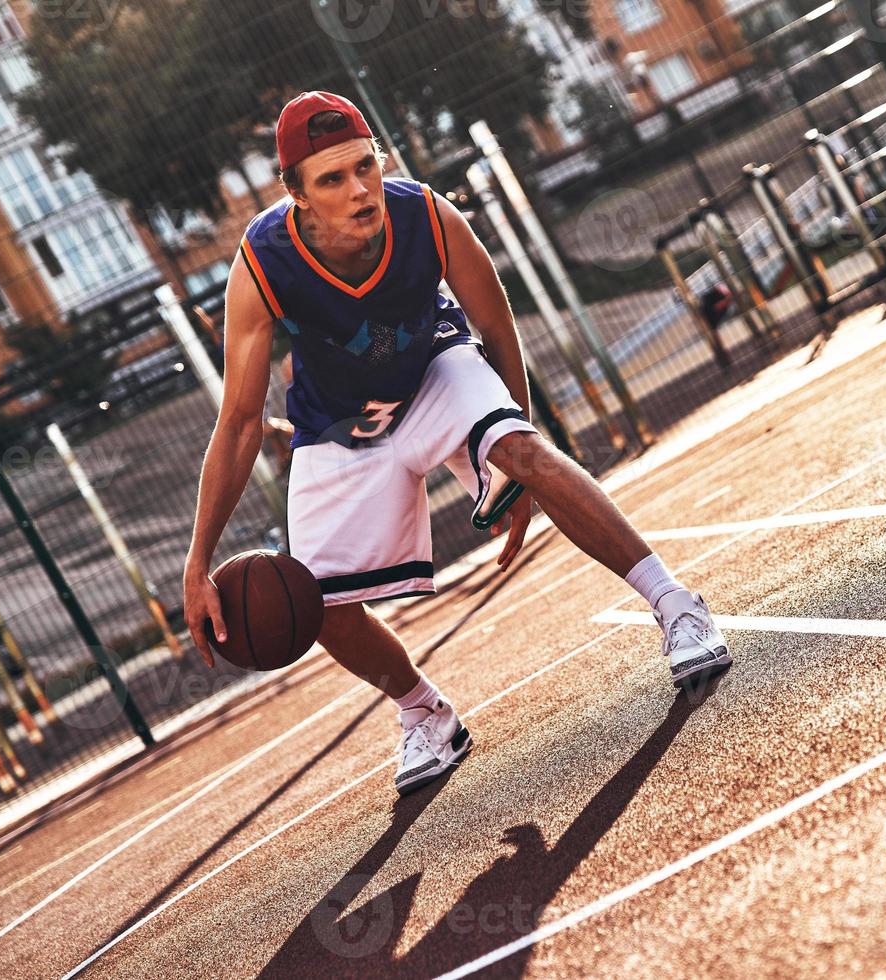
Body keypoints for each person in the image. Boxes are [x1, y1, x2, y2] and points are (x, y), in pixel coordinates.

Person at [182, 91, 731, 794]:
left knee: (526, 449)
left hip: (436, 367)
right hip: (342, 422)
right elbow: (239, 424)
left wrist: (517, 462)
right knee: (317, 600)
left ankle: (678, 606)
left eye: (364, 167)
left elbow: (497, 330)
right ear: (296, 194)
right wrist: (199, 561)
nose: (358, 190)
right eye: (332, 179)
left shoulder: (428, 216)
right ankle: (426, 713)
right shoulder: (262, 262)